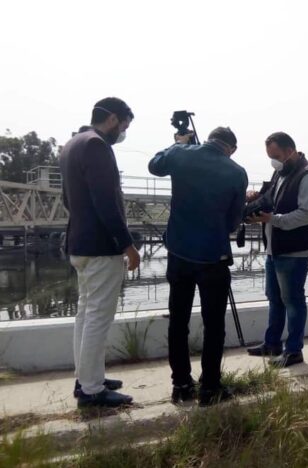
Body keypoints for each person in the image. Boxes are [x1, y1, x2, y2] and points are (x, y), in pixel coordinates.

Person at [148, 127, 248, 405]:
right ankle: (210, 388)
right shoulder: (237, 172)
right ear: (231, 148)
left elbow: (154, 165)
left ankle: (181, 385)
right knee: (214, 324)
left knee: (178, 321)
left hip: (179, 254)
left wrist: (177, 144)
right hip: (213, 258)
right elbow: (233, 222)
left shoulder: (180, 153)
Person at [59, 97, 140, 408]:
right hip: (100, 247)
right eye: (124, 125)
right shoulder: (97, 146)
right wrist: (127, 245)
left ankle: (86, 378)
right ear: (113, 119)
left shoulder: (72, 144)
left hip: (79, 244)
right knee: (97, 318)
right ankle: (92, 389)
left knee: (85, 314)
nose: (123, 132)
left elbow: (67, 199)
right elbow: (106, 202)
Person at [245, 132, 308, 368]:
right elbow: (272, 199)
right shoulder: (281, 173)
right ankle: (272, 344)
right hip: (275, 248)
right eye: (270, 157)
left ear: (290, 151)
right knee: (275, 298)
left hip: (295, 250)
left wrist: (272, 219)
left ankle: (294, 350)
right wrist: (256, 199)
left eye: (277, 156)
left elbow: (307, 214)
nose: (274, 162)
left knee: (293, 300)